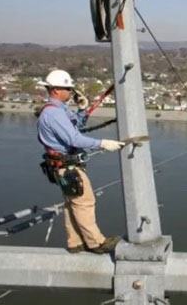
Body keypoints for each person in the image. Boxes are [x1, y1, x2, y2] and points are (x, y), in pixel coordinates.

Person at [37, 69, 124, 254]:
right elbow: (74, 139)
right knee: (84, 202)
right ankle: (96, 243)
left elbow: (76, 126)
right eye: (68, 89)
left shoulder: (57, 111)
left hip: (62, 166)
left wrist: (83, 110)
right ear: (55, 90)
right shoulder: (54, 114)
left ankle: (75, 242)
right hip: (68, 166)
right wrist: (103, 143)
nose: (70, 93)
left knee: (72, 204)